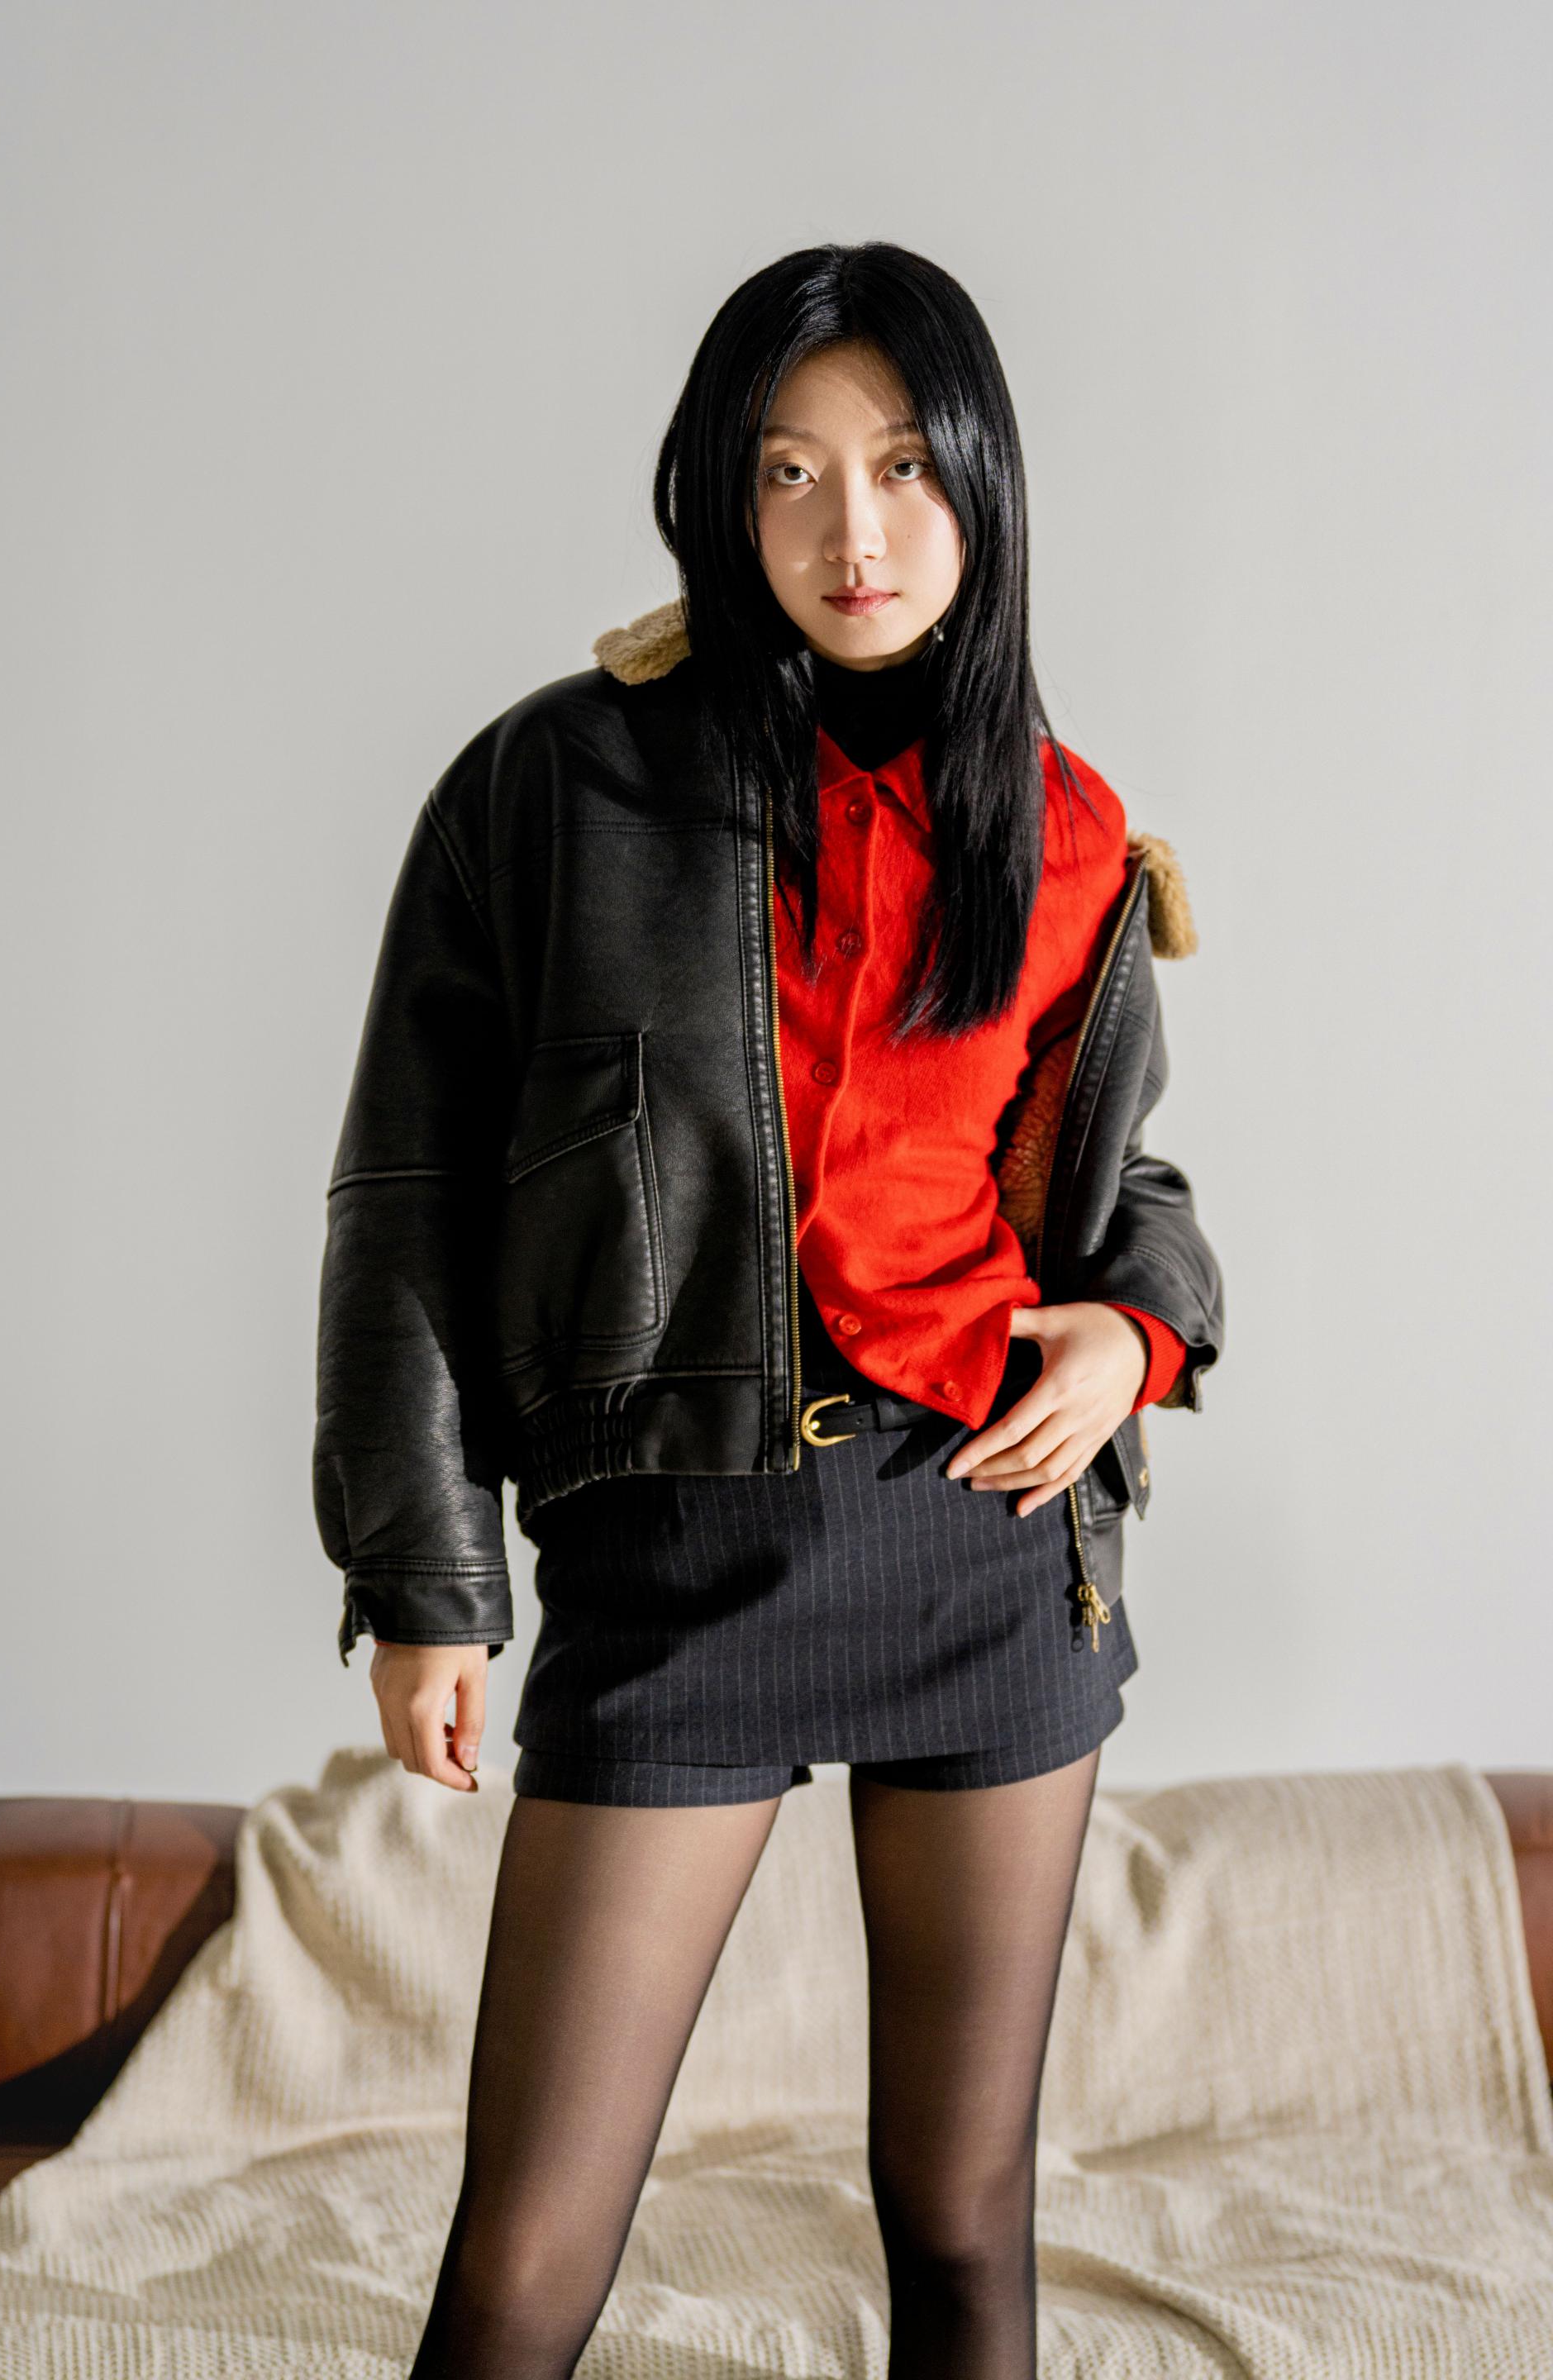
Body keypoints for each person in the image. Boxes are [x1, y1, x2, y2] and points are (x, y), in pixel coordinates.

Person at [312, 240, 1225, 2379]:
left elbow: (1123, 1189)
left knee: (966, 2222)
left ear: (982, 484)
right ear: (718, 498)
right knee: (525, 2267)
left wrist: (1137, 1334)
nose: (853, 531)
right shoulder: (557, 787)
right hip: (678, 1545)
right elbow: (409, 1193)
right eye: (789, 472)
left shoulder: (1062, 827)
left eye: (903, 466)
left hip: (988, 1541)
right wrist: (426, 1578)